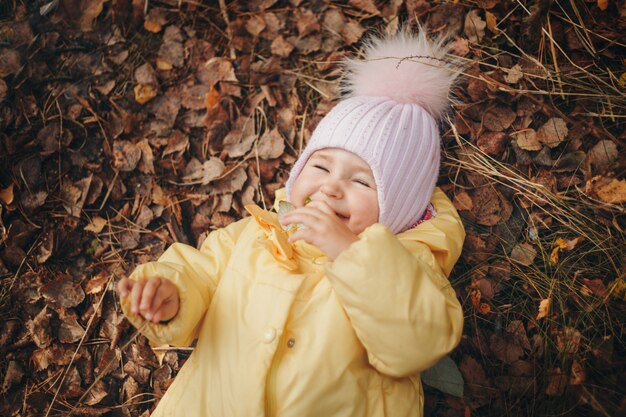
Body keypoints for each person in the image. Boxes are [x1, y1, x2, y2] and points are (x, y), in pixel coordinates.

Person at [117, 28, 465, 417]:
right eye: (320, 166)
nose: (331, 187)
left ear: (399, 210)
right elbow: (201, 273)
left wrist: (352, 254)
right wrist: (172, 296)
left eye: (362, 181)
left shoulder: (410, 266)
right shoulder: (256, 232)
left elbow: (416, 343)